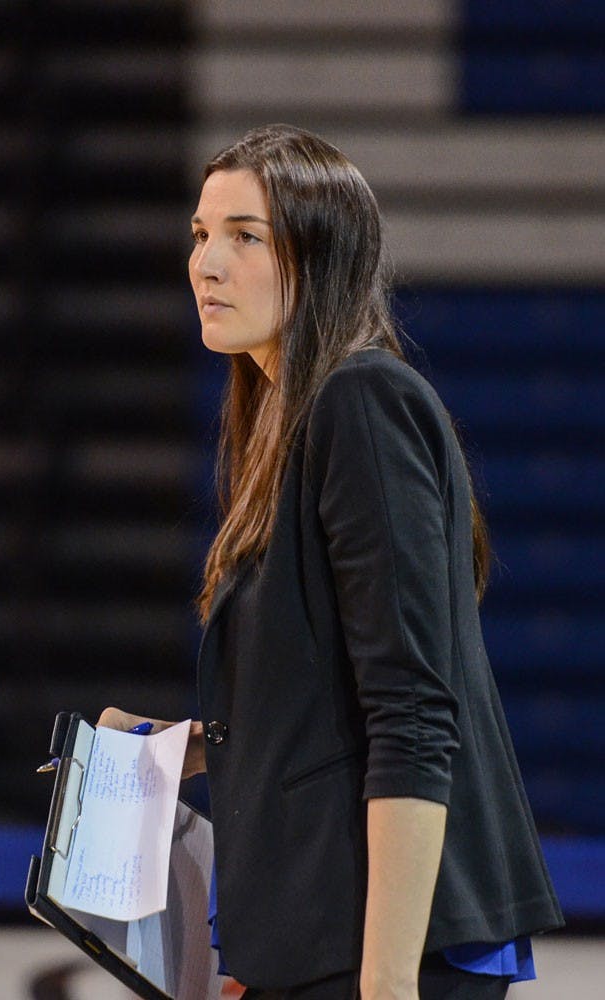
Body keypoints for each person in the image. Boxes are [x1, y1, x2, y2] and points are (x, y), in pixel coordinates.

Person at [98, 125, 564, 1000]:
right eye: (200, 234)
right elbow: (328, 707)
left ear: (321, 258)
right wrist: (187, 751)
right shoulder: (288, 423)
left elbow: (414, 713)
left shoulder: (361, 402)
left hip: (388, 952)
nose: (205, 263)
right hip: (321, 943)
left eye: (245, 236)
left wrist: (383, 982)